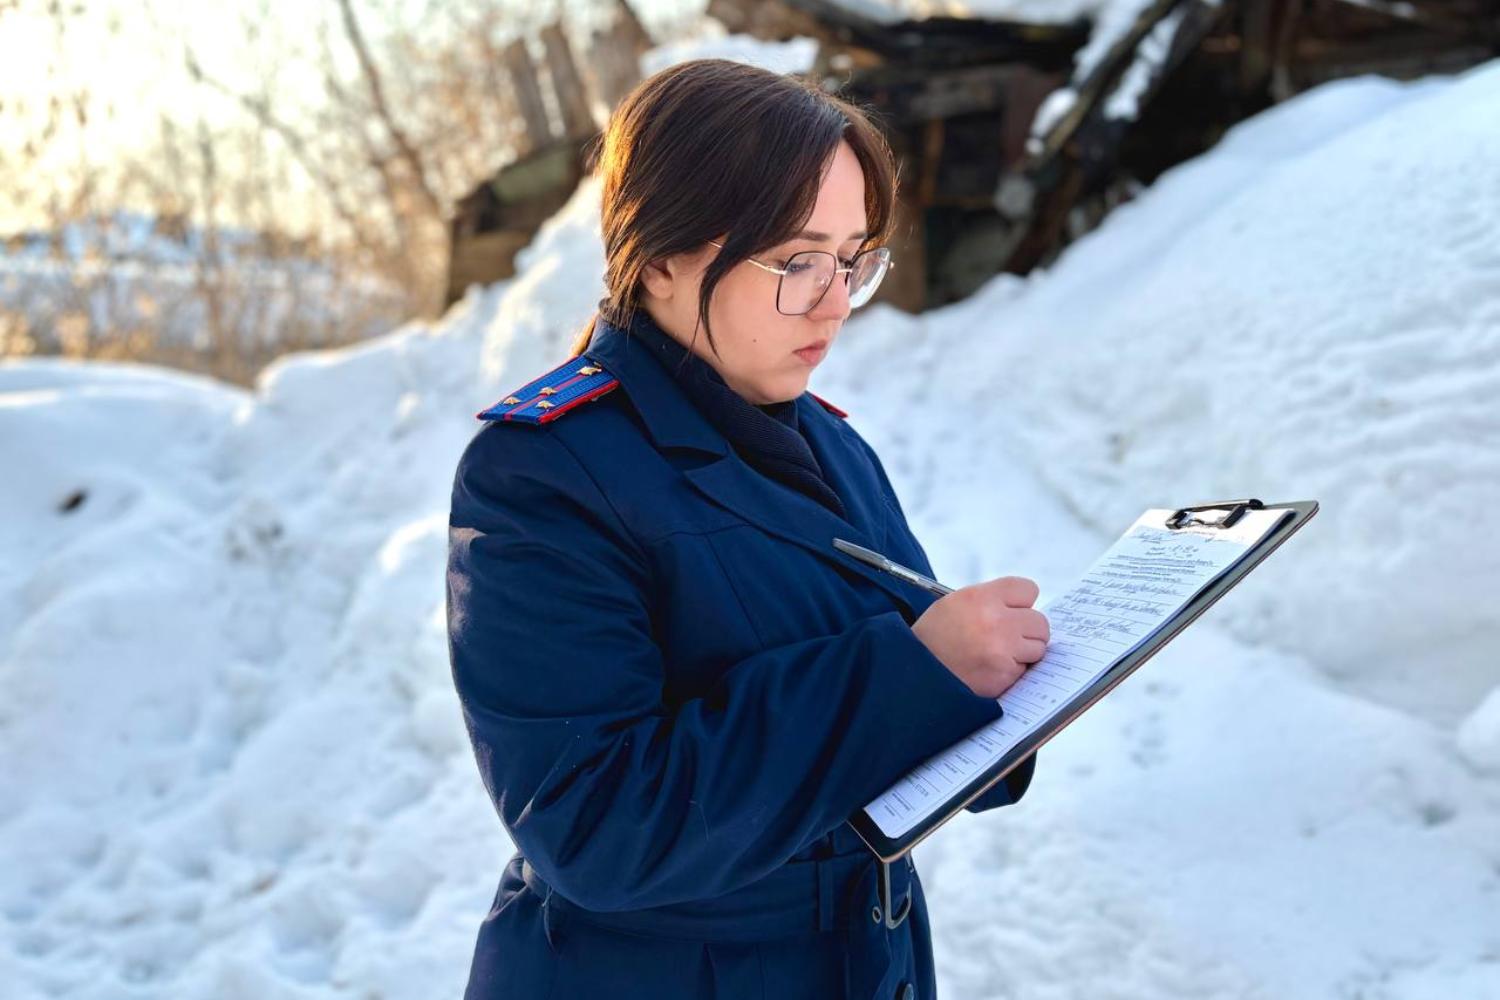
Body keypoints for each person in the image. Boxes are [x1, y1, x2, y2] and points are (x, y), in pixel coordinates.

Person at [446, 57, 1049, 1000]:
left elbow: (896, 699)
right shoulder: (544, 472)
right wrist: (912, 676)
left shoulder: (830, 444)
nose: (836, 300)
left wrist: (992, 695)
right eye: (797, 262)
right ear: (660, 259)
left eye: (853, 260)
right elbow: (595, 825)